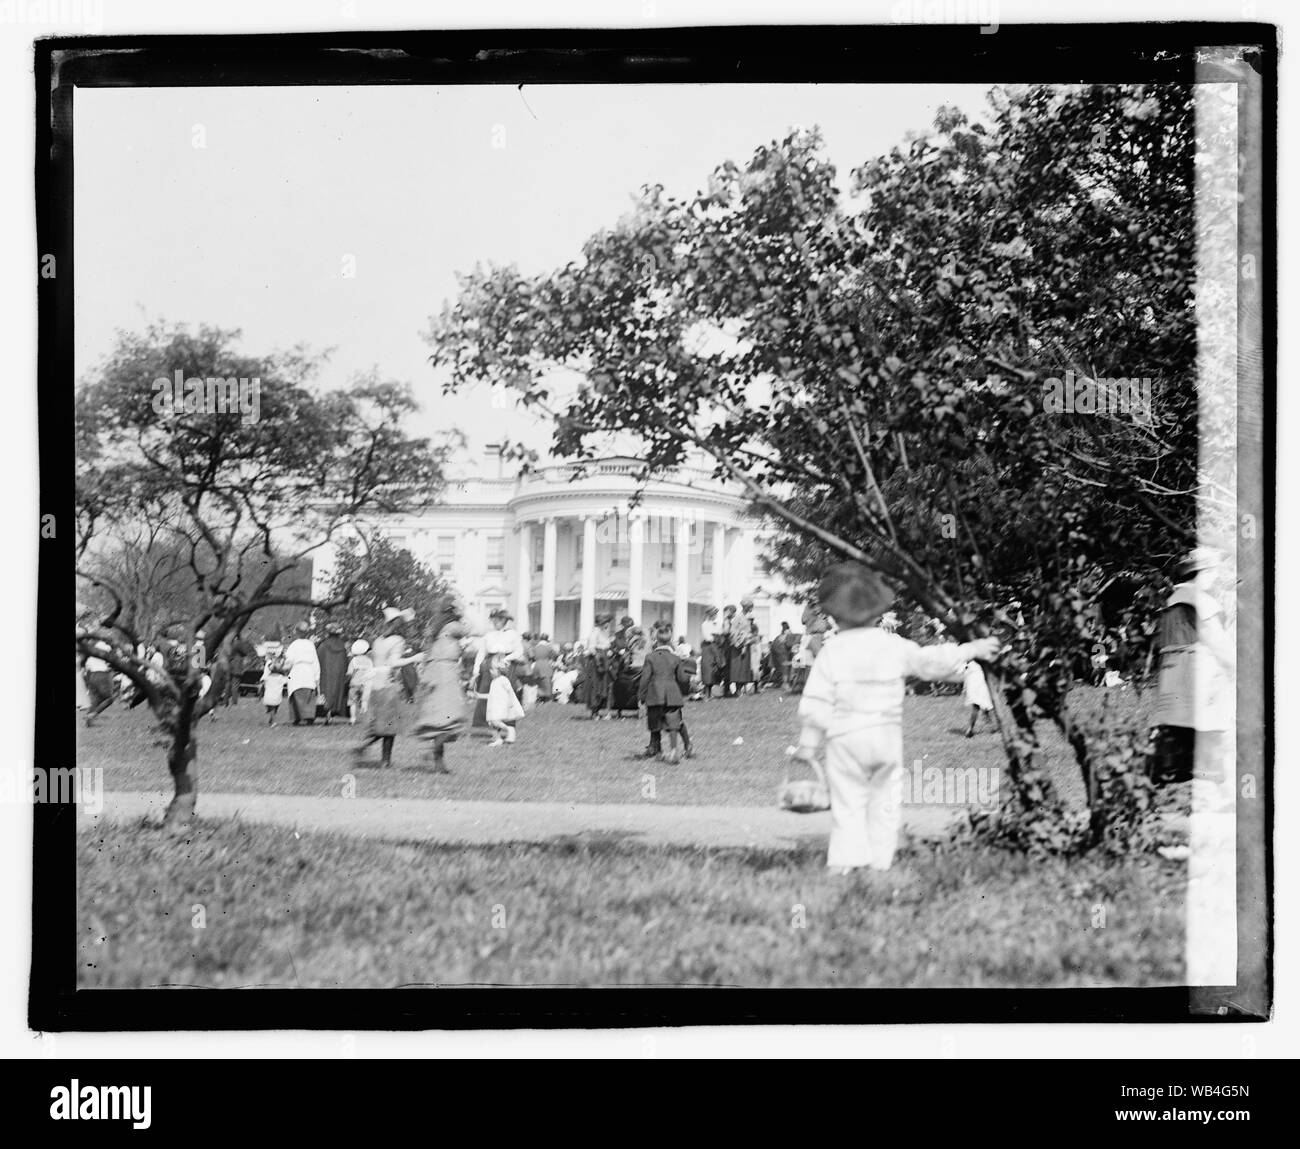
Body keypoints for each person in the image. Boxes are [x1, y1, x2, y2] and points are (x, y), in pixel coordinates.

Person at [790, 562, 999, 875]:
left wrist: (808, 743)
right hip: (884, 737)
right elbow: (930, 662)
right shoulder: (892, 645)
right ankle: (880, 862)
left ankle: (845, 862)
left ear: (835, 615)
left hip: (845, 738)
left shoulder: (832, 651)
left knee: (848, 803)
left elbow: (817, 701)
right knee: (884, 802)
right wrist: (971, 648)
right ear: (877, 613)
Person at [1150, 547, 1234, 801]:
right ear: (1202, 572)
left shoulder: (1171, 601)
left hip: (1173, 680)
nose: (1216, 576)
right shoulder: (1201, 601)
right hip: (1200, 678)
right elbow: (1221, 647)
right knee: (1207, 739)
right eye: (1213, 571)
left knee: (1177, 738)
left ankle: (1172, 794)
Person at [355, 607, 420, 767]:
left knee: (381, 724)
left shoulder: (377, 640)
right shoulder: (398, 640)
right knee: (389, 727)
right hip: (389, 686)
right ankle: (384, 760)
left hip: (376, 686)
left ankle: (367, 749)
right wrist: (414, 658)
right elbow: (393, 663)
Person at [412, 612, 469, 772]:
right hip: (447, 674)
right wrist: (461, 612)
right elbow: (474, 629)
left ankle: (439, 763)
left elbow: (426, 652)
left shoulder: (434, 628)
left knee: (439, 720)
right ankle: (434, 755)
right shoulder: (452, 626)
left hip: (434, 673)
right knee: (451, 719)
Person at [638, 621, 695, 763]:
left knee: (655, 721)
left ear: (656, 640)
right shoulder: (675, 658)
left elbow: (645, 679)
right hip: (672, 694)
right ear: (670, 640)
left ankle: (658, 750)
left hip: (655, 694)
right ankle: (676, 749)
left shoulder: (650, 657)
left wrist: (641, 697)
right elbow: (682, 679)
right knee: (675, 722)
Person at [472, 608, 526, 732]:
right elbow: (481, 653)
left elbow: (519, 651)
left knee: (504, 694)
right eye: (494, 619)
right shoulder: (488, 635)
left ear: (505, 620)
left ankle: (508, 724)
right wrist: (476, 670)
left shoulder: (512, 634)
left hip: (506, 666)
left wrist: (508, 658)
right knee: (488, 694)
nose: (496, 622)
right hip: (490, 666)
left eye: (500, 619)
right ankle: (492, 726)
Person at [478, 655, 525, 747]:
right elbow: (491, 695)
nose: (490, 672)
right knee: (491, 723)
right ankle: (498, 739)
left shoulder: (503, 680)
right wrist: (479, 695)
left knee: (495, 721)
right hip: (493, 707)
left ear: (499, 670)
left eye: (492, 670)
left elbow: (510, 692)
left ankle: (509, 730)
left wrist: (511, 704)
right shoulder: (494, 682)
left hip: (501, 706)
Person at [285, 621, 321, 726]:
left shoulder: (294, 645)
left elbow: (289, 660)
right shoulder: (310, 644)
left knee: (296, 694)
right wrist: (316, 675)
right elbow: (315, 660)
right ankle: (309, 717)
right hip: (308, 671)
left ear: (296, 632)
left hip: (297, 671)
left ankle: (297, 717)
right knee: (308, 695)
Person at [316, 622, 350, 724]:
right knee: (336, 692)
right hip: (338, 674)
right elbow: (345, 662)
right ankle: (332, 712)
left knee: (326, 692)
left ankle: (327, 714)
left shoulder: (323, 645)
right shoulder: (342, 647)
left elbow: (318, 659)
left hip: (326, 673)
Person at [583, 612, 615, 719]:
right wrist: (601, 654)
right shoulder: (595, 633)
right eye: (607, 623)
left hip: (604, 661)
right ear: (602, 622)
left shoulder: (602, 632)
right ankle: (594, 711)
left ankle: (599, 710)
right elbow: (591, 648)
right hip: (597, 663)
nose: (608, 625)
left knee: (603, 686)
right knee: (596, 686)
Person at [728, 598, 757, 696]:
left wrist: (748, 638)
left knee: (744, 667)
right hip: (738, 645)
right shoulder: (737, 618)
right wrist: (740, 639)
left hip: (746, 644)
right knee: (738, 667)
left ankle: (742, 688)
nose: (750, 609)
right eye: (750, 607)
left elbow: (749, 631)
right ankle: (737, 689)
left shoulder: (748, 618)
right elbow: (733, 631)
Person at [961, 658, 995, 737]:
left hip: (972, 684)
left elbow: (965, 673)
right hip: (980, 682)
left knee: (977, 707)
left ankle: (971, 728)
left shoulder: (967, 659)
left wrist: (965, 687)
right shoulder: (980, 657)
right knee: (987, 704)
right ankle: (991, 722)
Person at [82, 650, 117, 726]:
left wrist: (88, 682)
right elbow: (112, 662)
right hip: (102, 675)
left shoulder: (90, 650)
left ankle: (89, 723)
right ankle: (92, 715)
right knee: (109, 699)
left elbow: (86, 667)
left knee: (95, 701)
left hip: (91, 675)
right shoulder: (106, 646)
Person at [259, 641, 288, 725]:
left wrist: (263, 681)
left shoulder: (269, 666)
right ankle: (272, 715)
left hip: (269, 690)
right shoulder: (280, 675)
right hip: (277, 689)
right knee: (275, 704)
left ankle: (271, 714)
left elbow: (266, 673)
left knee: (269, 702)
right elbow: (287, 677)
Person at [346, 639, 373, 724]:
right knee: (365, 701)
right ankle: (366, 719)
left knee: (352, 702)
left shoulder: (354, 660)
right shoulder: (369, 661)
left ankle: (353, 719)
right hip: (365, 685)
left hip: (354, 684)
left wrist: (347, 679)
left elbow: (350, 672)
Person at [699, 606, 723, 700]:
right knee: (707, 668)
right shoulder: (705, 624)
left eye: (715, 614)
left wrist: (716, 635)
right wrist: (716, 636)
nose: (715, 616)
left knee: (715, 668)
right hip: (708, 648)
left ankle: (711, 692)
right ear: (709, 615)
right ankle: (706, 692)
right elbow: (707, 637)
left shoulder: (717, 624)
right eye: (713, 614)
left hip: (716, 648)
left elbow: (720, 633)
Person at [531, 633, 558, 701]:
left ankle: (538, 697)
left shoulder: (535, 647)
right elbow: (555, 655)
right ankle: (547, 699)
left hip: (536, 666)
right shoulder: (548, 647)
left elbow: (532, 657)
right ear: (547, 639)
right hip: (546, 666)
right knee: (547, 685)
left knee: (538, 683)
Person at [770, 621, 794, 689]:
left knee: (781, 668)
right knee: (785, 668)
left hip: (779, 652)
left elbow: (773, 646)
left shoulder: (780, 635)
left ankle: (781, 683)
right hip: (783, 652)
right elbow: (790, 643)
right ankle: (785, 683)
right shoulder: (788, 633)